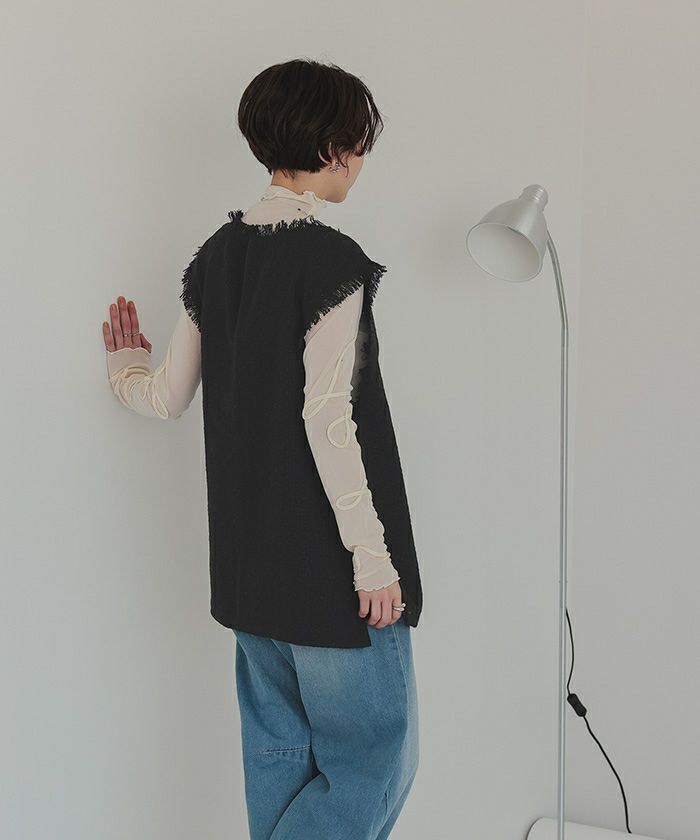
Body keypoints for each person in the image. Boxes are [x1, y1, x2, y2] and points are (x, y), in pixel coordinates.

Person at [101, 58, 423, 840]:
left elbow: (166, 397)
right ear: (334, 147)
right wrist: (372, 559)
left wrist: (125, 369)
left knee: (280, 756)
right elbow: (328, 418)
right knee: (373, 762)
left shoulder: (218, 255)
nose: (361, 161)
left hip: (251, 576)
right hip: (331, 578)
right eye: (359, 144)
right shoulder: (331, 260)